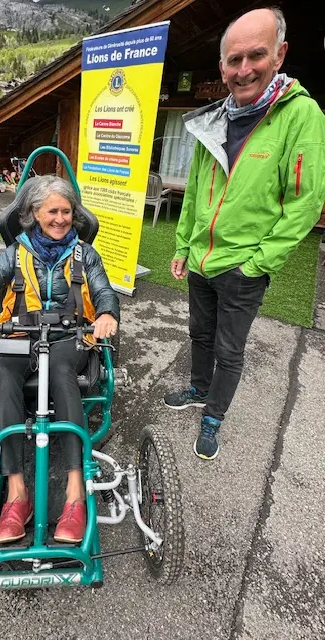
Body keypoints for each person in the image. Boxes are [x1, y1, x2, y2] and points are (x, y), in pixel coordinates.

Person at [164, 7, 325, 461]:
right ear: (222, 68)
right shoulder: (214, 119)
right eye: (234, 60)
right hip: (201, 260)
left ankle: (213, 417)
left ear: (280, 54)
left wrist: (256, 263)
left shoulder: (302, 115)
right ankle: (198, 389)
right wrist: (183, 246)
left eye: (256, 55)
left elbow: (305, 203)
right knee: (200, 334)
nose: (244, 68)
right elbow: (194, 193)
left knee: (229, 349)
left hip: (243, 268)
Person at [0, 175, 119, 543]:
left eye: (67, 211)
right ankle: (16, 494)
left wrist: (108, 314)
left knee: (61, 372)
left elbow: (103, 291)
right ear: (34, 213)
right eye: (53, 211)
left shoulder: (85, 254)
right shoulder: (15, 253)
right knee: (3, 373)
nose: (61, 219)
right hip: (19, 334)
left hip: (69, 337)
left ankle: (75, 493)